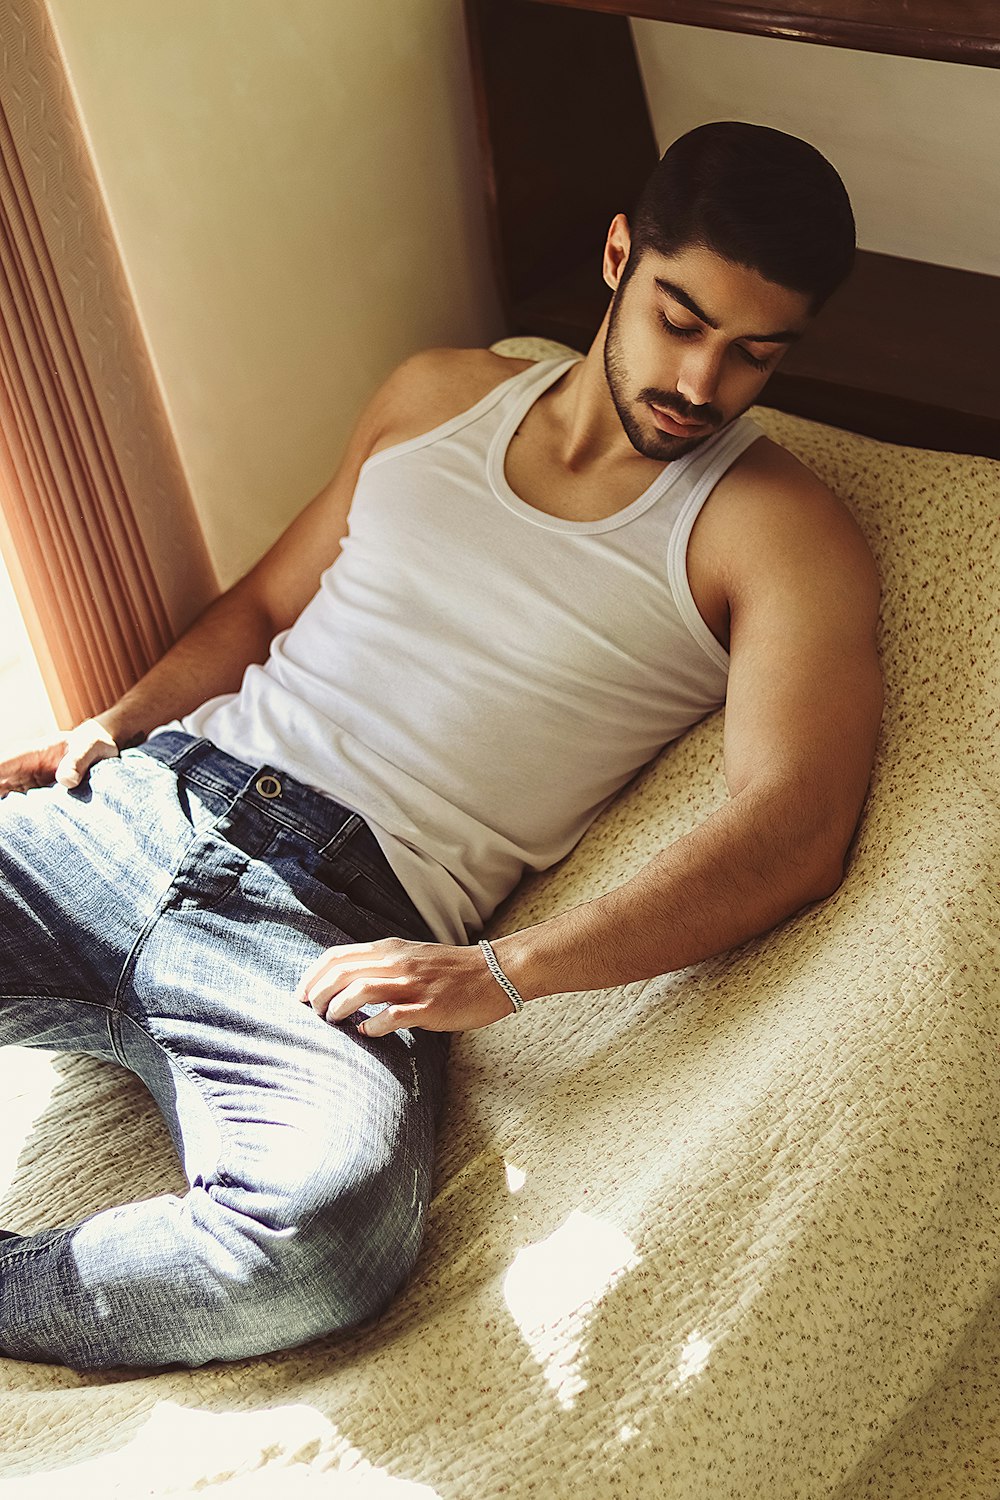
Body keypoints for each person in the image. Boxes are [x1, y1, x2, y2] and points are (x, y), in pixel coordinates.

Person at [0, 122, 881, 1370]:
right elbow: (261, 608)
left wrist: (504, 971)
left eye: (754, 354)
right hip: (141, 805)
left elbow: (793, 828)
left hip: (329, 934)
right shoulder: (438, 394)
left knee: (323, 1241)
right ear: (619, 257)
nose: (700, 382)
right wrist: (110, 723)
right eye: (679, 320)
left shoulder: (779, 532)